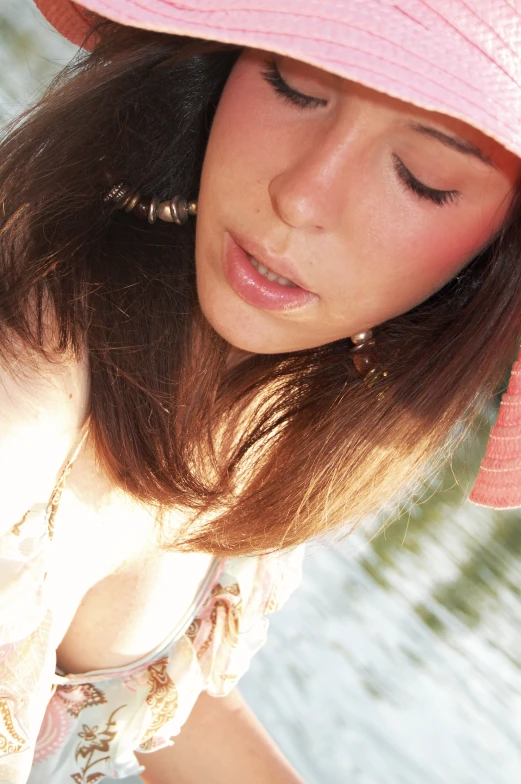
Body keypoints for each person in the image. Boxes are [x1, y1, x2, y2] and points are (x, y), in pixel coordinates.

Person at [1, 0, 521, 781]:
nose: (302, 196)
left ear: (494, 259)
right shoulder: (22, 406)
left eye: (424, 178)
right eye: (293, 87)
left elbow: (160, 698)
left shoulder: (269, 392)